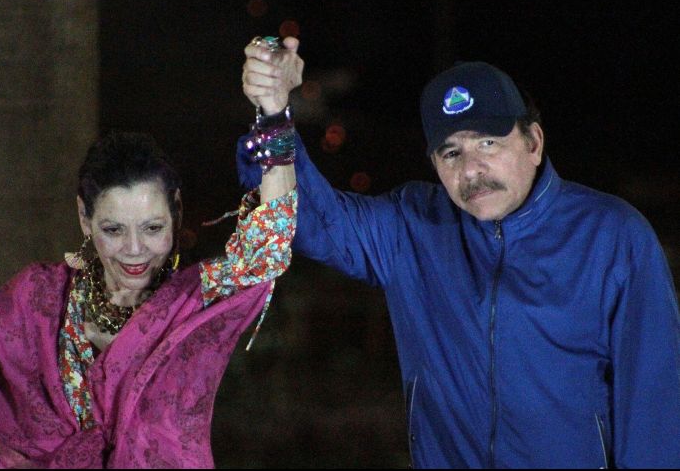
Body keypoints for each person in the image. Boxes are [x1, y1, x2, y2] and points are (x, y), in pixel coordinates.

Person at [239, 38, 680, 468]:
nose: (471, 170)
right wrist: (275, 111)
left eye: (488, 142)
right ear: (434, 164)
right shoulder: (412, 227)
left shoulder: (612, 237)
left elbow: (655, 404)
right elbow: (303, 217)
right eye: (451, 152)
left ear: (533, 143)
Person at [0, 129, 297, 468]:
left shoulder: (193, 303)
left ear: (176, 211)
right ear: (84, 217)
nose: (134, 250)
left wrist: (276, 116)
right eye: (113, 229)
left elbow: (267, 252)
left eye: (152, 228)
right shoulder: (40, 300)